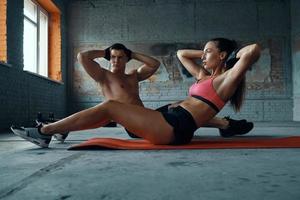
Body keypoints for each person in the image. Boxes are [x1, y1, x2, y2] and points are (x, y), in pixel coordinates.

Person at [11, 39, 260, 147]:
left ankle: (45, 132)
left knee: (110, 107)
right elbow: (182, 54)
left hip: (177, 127)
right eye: (203, 51)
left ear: (223, 56)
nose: (203, 55)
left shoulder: (227, 79)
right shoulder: (206, 77)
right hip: (173, 119)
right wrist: (208, 55)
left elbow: (253, 51)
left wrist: (229, 57)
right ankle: (58, 128)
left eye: (207, 51)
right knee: (111, 112)